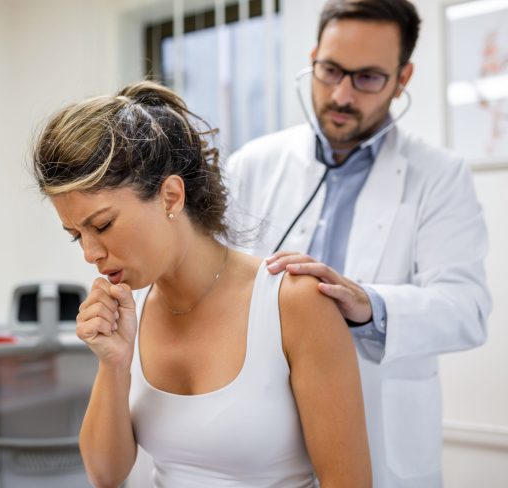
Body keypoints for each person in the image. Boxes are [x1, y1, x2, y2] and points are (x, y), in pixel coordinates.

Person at [31, 81, 371, 487]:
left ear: (171, 196)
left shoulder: (293, 303)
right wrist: (114, 363)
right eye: (76, 234)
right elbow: (105, 474)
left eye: (102, 225)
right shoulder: (129, 312)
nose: (89, 253)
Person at [223, 1, 492, 486]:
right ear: (313, 57)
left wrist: (371, 304)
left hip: (381, 431)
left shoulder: (439, 175)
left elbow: (468, 308)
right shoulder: (253, 164)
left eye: (367, 77)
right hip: (264, 431)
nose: (342, 94)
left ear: (402, 77)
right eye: (330, 71)